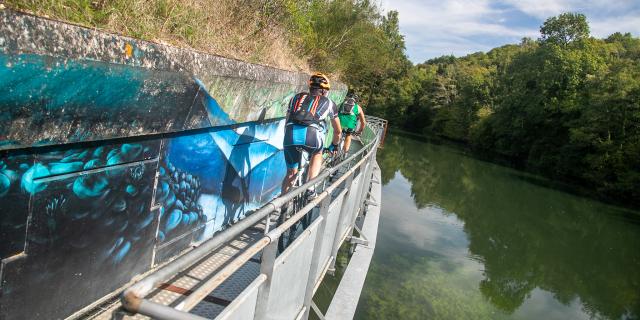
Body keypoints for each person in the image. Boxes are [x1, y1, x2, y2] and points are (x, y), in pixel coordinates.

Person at [281, 72, 342, 197]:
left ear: (310, 88)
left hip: (290, 135)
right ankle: (311, 187)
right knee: (317, 153)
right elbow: (338, 131)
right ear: (324, 91)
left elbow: (287, 121)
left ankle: (281, 208)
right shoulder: (329, 103)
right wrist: (334, 145)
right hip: (311, 137)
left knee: (290, 173)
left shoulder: (295, 98)